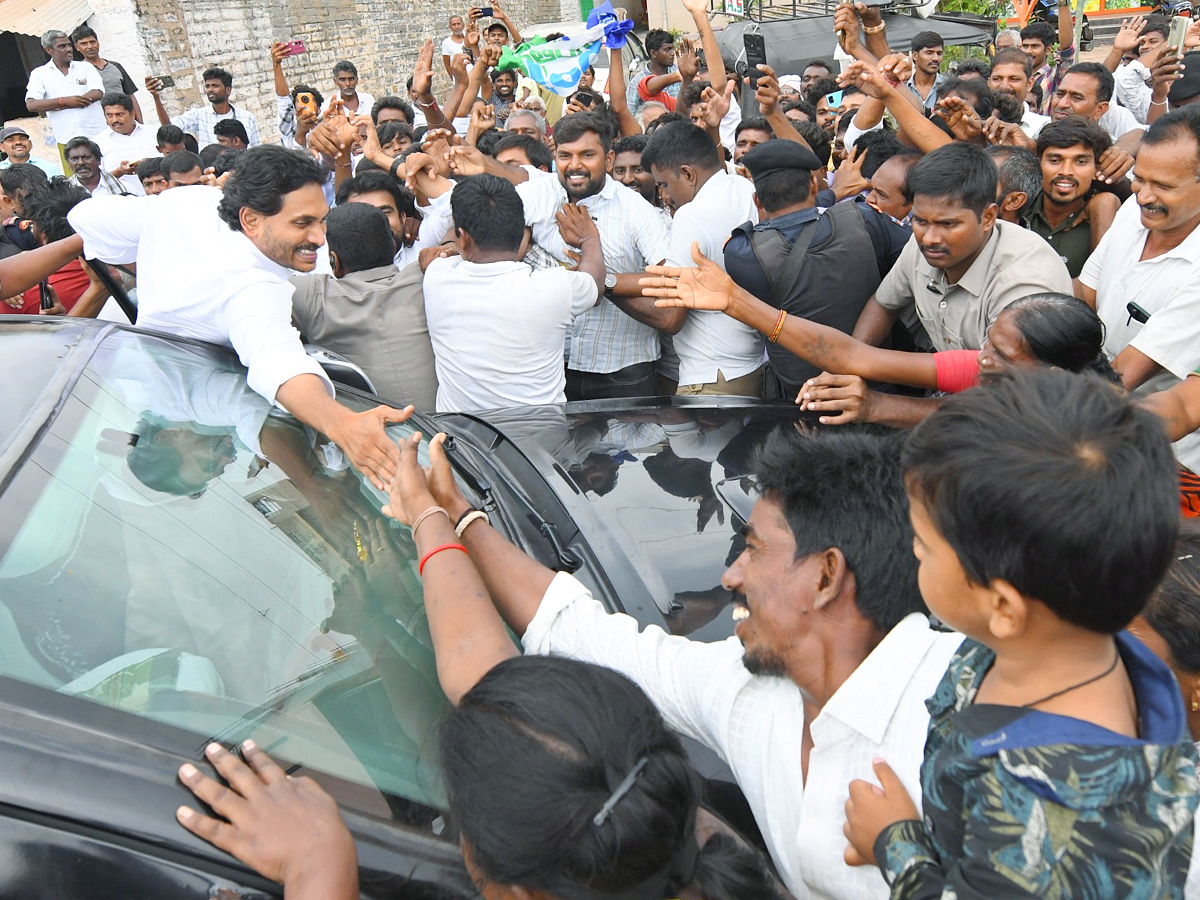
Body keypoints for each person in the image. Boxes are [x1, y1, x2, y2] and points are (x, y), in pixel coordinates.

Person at [382, 415, 964, 899]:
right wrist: (459, 517)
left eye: (754, 551)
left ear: (825, 575)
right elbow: (575, 628)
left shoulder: (979, 726)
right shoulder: (749, 691)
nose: (729, 575)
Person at [844, 368, 1198, 900]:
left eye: (923, 544)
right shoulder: (1060, 631)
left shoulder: (1060, 817)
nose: (913, 551)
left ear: (1004, 606)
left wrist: (896, 844)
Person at [45, 145, 408, 489]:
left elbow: (86, 217)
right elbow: (276, 360)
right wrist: (340, 423)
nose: (320, 237)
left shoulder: (188, 201)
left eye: (322, 220)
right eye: (302, 223)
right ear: (249, 218)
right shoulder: (252, 287)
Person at [452, 112, 670, 400]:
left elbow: (672, 303)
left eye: (587, 155)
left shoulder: (637, 211)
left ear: (608, 159)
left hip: (624, 374)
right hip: (554, 370)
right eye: (565, 155)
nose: (575, 165)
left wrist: (599, 280)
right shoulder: (539, 192)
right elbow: (483, 238)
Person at [720, 139, 909, 398]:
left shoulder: (742, 253)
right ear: (811, 184)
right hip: (874, 390)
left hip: (801, 399)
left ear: (757, 200)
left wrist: (831, 194)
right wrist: (830, 195)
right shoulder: (866, 221)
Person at [853, 142, 1073, 352]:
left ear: (988, 217)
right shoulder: (923, 244)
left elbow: (1001, 374)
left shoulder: (1025, 280)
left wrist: (862, 366)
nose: (929, 238)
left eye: (948, 224)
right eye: (920, 221)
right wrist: (852, 361)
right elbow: (883, 303)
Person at [1077, 106, 1200, 473]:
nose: (1144, 195)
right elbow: (1085, 296)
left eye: (1163, 186)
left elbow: (1125, 375)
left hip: (1161, 458)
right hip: (1093, 417)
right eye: (1139, 178)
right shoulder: (1134, 210)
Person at [423, 174, 603, 411]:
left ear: (463, 238)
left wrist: (450, 244)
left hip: (463, 440)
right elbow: (596, 283)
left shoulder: (437, 276)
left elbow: (447, 246)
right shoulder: (556, 288)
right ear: (522, 233)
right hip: (539, 440)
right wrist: (590, 238)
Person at [641, 122, 761, 397]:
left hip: (710, 377)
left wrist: (607, 284)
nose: (665, 196)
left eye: (665, 185)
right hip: (749, 365)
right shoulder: (743, 188)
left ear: (687, 174)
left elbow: (671, 315)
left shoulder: (691, 215)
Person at [289, 202, 437, 412]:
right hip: (446, 429)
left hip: (373, 433)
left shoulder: (311, 297)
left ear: (334, 260)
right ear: (393, 247)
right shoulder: (428, 277)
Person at [1025, 116, 1120, 277]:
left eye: (1080, 162)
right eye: (1055, 160)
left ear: (1097, 169)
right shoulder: (1017, 209)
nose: (1066, 171)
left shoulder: (1107, 223)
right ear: (1038, 163)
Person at [24, 29, 105, 168]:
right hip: (66, 137)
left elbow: (97, 92)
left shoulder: (85, 67)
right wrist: (64, 101)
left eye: (68, 45)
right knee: (77, 178)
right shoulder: (40, 74)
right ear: (49, 49)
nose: (68, 49)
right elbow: (31, 104)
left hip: (97, 132)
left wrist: (65, 104)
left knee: (106, 170)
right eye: (62, 46)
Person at [147, 66, 262, 148]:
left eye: (215, 86)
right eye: (207, 86)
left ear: (228, 90)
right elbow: (168, 128)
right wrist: (156, 98)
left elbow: (256, 149)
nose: (210, 90)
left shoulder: (247, 117)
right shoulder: (198, 115)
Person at [333, 169, 422, 268]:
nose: (377, 223)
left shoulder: (423, 251)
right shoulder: (322, 266)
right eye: (362, 215)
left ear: (402, 217)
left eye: (385, 213)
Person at [1051, 62, 1144, 147]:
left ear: (1100, 109)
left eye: (1077, 98)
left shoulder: (1110, 155)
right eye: (1060, 94)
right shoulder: (1037, 131)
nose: (1062, 104)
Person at [70, 25, 142, 124]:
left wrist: (140, 123)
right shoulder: (77, 72)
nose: (90, 47)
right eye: (84, 44)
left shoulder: (115, 66)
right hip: (98, 124)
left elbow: (130, 96)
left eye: (92, 42)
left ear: (98, 43)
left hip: (124, 121)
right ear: (77, 47)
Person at [94, 92, 161, 196]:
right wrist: (120, 171)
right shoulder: (97, 143)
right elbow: (97, 182)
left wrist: (151, 165)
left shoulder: (153, 133)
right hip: (125, 202)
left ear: (132, 114)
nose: (114, 120)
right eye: (109, 115)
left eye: (119, 114)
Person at [1022, 3, 1076, 115]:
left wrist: (1063, 4)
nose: (1028, 51)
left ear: (1048, 49)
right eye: (1025, 46)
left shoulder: (1055, 77)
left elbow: (1066, 48)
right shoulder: (1016, 78)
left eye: (1035, 46)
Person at [987, 47, 1050, 138]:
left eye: (1014, 79)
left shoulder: (1043, 127)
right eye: (997, 79)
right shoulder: (975, 123)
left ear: (1029, 84)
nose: (1004, 86)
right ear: (988, 83)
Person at [628, 29, 680, 116]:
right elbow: (631, 115)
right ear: (653, 53)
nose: (672, 53)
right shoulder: (637, 83)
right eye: (668, 49)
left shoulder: (680, 71)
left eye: (673, 48)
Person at [65, 137, 130, 197]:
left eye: (87, 157)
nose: (81, 163)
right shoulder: (64, 192)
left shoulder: (125, 187)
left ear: (98, 160)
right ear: (68, 163)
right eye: (74, 159)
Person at [907, 32, 947, 113]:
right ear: (915, 56)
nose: (936, 58)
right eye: (929, 53)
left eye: (939, 54)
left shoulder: (950, 87)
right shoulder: (903, 87)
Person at [611, 134, 657, 204]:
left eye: (637, 170)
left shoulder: (672, 213)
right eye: (620, 171)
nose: (627, 179)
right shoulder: (599, 213)